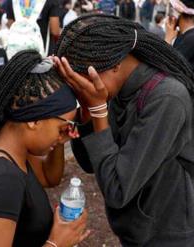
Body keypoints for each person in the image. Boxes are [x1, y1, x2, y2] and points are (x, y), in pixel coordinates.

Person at [55, 14, 194, 246]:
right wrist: (88, 113)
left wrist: (100, 111)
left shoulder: (167, 97)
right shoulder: (117, 87)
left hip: (168, 234)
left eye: (83, 78)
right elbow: (91, 164)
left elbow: (117, 189)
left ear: (116, 63)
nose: (84, 87)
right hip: (137, 231)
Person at [0, 50, 90, 246]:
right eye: (62, 127)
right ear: (34, 121)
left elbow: (50, 178)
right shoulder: (4, 181)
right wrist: (56, 243)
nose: (63, 132)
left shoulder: (12, 150)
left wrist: (58, 141)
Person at [165, 0, 194, 70]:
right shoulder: (187, 35)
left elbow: (168, 66)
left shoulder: (190, 39)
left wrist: (168, 39)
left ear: (178, 14)